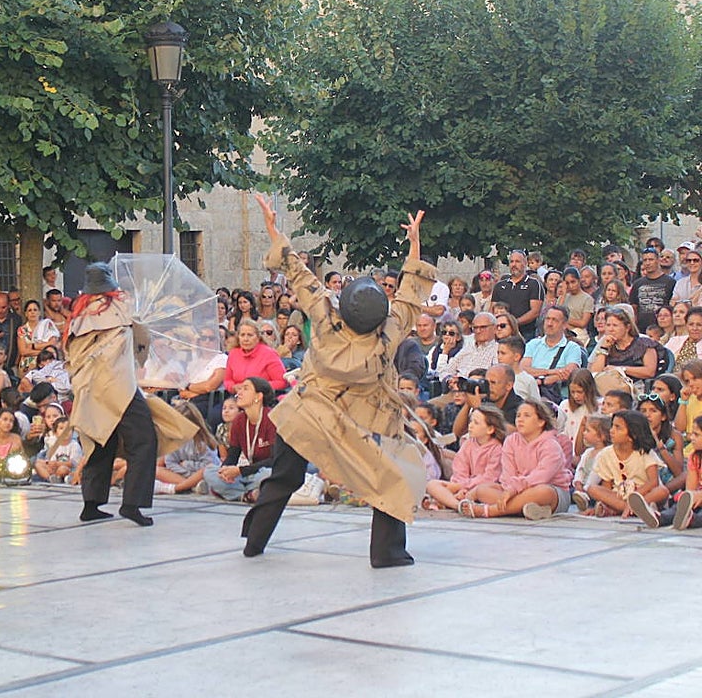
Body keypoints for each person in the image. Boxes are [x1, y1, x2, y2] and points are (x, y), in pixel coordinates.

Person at [241, 195, 436, 567]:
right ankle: (387, 553)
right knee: (391, 480)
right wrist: (414, 245)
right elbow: (410, 300)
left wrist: (273, 228)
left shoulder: (325, 319)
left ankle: (254, 539)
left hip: (305, 414)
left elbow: (298, 274)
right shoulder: (386, 336)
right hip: (353, 424)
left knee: (284, 476)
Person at [65, 262, 195, 527]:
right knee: (144, 441)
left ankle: (91, 504)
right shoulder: (120, 308)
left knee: (102, 441)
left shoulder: (78, 316)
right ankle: (132, 503)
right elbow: (140, 342)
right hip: (119, 386)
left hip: (90, 388)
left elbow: (71, 356)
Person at [458, 400, 572, 519]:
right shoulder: (511, 441)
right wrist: (509, 489)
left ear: (541, 422)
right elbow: (508, 475)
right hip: (514, 491)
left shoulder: (551, 445)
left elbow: (541, 476)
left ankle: (490, 511)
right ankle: (526, 509)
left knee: (544, 491)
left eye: (526, 415)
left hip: (550, 490)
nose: (520, 419)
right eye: (518, 415)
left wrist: (514, 490)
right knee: (483, 489)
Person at [202, 377, 278, 501]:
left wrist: (240, 471)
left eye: (245, 388)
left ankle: (235, 493)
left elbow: (275, 460)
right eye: (240, 388)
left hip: (266, 471)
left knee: (268, 475)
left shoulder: (271, 418)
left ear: (258, 396)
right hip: (248, 473)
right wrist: (225, 470)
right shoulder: (239, 420)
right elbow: (232, 456)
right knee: (210, 472)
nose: (239, 392)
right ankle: (249, 495)